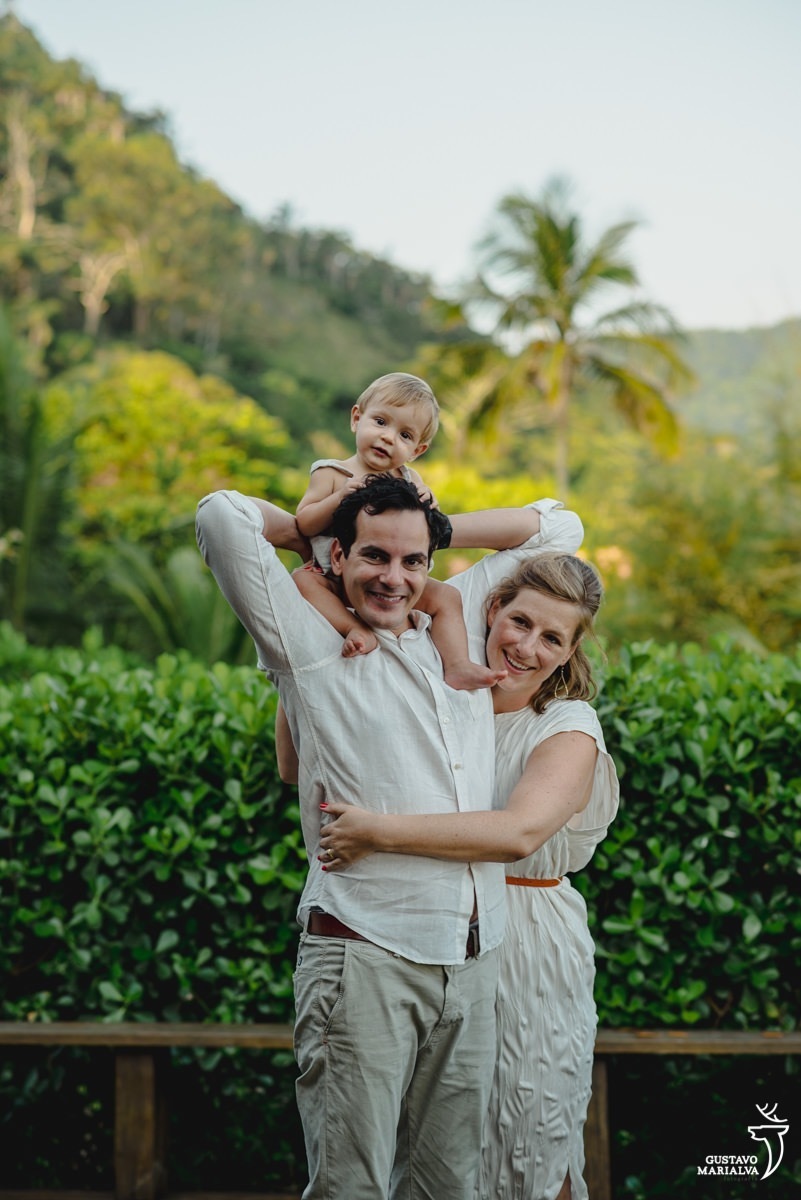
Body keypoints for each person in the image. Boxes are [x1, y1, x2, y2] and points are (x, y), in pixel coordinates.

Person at [196, 475, 583, 1200]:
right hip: (365, 951)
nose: (394, 578)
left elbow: (560, 528)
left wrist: (430, 522)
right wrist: (307, 525)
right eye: (374, 555)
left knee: (447, 1188)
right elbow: (219, 516)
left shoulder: (460, 622)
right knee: (352, 1187)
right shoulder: (307, 640)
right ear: (337, 556)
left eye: (413, 561)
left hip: (473, 958)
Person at [309, 551, 620, 1200]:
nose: (527, 646)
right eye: (519, 621)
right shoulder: (450, 700)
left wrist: (378, 832)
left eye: (552, 638)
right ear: (491, 610)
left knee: (531, 1133)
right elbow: (298, 761)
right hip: (426, 932)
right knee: (435, 1157)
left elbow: (517, 834)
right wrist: (313, 667)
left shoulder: (567, 727)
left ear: (569, 653)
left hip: (529, 943)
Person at [293, 370, 504, 689]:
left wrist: (430, 500)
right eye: (380, 422)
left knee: (446, 596)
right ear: (356, 418)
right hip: (331, 575)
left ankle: (458, 664)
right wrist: (340, 496)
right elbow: (304, 521)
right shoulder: (332, 472)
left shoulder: (409, 479)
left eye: (405, 435)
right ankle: (354, 627)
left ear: (418, 450)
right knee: (301, 581)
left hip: (390, 580)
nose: (389, 437)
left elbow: (422, 524)